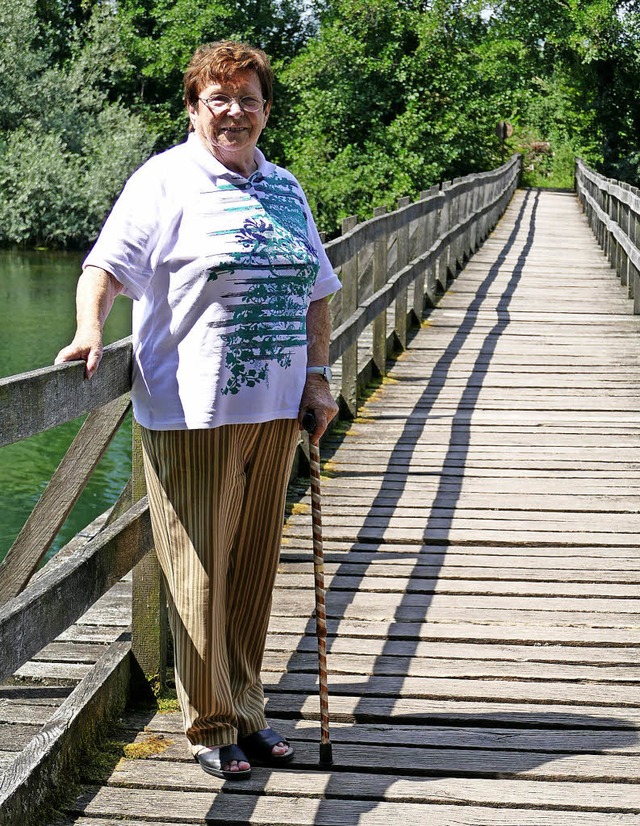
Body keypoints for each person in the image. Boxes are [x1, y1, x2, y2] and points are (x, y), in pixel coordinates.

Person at [55, 40, 341, 781]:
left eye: (248, 99)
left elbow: (317, 289)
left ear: (267, 111)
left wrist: (316, 378)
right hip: (192, 412)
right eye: (219, 98)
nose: (234, 112)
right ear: (193, 108)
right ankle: (209, 721)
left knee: (251, 569)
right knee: (201, 571)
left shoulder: (285, 188)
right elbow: (105, 268)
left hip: (275, 411)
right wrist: (90, 329)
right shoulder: (165, 181)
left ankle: (247, 713)